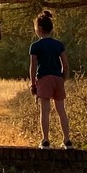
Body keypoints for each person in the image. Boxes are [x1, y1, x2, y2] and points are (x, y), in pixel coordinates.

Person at [29, 9, 72, 148]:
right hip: (57, 78)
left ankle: (45, 140)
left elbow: (33, 67)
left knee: (45, 111)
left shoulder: (35, 46)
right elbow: (65, 64)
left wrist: (33, 85)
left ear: (39, 28)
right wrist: (63, 79)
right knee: (61, 110)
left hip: (43, 78)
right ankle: (67, 140)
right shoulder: (58, 44)